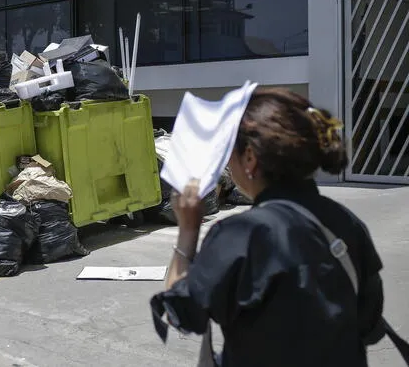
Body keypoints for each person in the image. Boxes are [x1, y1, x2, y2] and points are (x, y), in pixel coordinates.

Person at [150, 87, 386, 367]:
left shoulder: (240, 235)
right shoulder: (347, 223)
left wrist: (188, 230)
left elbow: (183, 314)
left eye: (230, 151)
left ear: (249, 158)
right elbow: (370, 326)